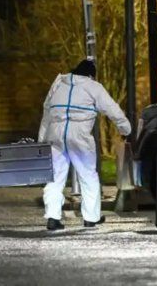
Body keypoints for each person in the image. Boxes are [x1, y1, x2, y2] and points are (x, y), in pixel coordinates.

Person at [39, 60, 131, 230]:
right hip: (79, 135)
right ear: (90, 75)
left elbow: (47, 110)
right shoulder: (93, 86)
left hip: (55, 134)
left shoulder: (58, 83)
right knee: (88, 176)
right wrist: (125, 128)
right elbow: (112, 109)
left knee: (54, 177)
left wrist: (42, 138)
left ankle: (52, 217)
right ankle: (91, 217)